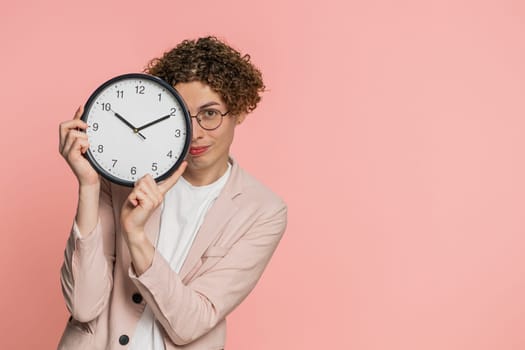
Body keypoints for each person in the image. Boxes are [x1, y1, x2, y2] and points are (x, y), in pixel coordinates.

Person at [57, 36, 287, 350]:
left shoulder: (262, 211)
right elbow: (83, 305)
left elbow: (190, 324)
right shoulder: (124, 177)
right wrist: (88, 185)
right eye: (180, 115)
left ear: (240, 110)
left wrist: (136, 235)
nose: (195, 132)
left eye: (210, 113)